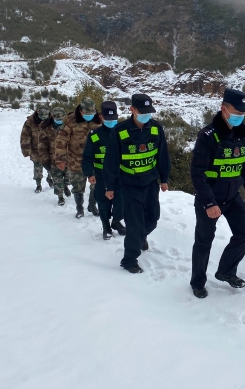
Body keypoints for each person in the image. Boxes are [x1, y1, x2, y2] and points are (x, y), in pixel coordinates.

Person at [189, 88, 245, 299]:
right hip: (210, 197)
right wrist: (209, 203)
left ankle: (226, 271)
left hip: (232, 196)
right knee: (203, 241)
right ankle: (198, 282)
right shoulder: (208, 136)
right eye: (236, 112)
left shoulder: (241, 133)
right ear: (223, 109)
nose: (239, 116)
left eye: (243, 113)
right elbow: (197, 173)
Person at [103, 93, 171, 273]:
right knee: (134, 225)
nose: (146, 115)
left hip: (150, 182)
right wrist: (110, 186)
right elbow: (110, 161)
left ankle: (141, 237)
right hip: (129, 184)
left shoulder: (156, 128)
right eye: (142, 112)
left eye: (149, 112)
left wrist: (164, 178)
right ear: (132, 109)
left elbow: (162, 155)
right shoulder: (120, 131)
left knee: (153, 219)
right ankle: (129, 260)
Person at [82, 101, 126, 240]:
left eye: (114, 119)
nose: (112, 122)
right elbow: (87, 156)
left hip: (120, 174)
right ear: (101, 117)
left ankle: (116, 221)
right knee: (104, 201)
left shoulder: (123, 133)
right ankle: (106, 225)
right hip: (101, 175)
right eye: (109, 119)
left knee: (121, 201)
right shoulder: (95, 135)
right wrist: (90, 173)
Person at [55, 97, 102, 218]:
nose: (89, 115)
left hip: (95, 161)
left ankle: (92, 205)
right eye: (87, 113)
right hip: (76, 161)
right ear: (80, 110)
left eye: (92, 113)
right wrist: (60, 159)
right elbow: (60, 141)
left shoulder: (98, 121)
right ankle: (79, 208)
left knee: (96, 185)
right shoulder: (70, 122)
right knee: (77, 187)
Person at [39, 106, 71, 205]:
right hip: (54, 159)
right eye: (58, 119)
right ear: (52, 116)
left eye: (61, 118)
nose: (60, 120)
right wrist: (45, 160)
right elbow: (42, 146)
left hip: (68, 158)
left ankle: (65, 186)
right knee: (57, 179)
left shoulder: (68, 126)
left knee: (68, 177)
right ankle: (60, 196)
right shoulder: (46, 129)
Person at [20, 103, 53, 192]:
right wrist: (26, 150)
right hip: (36, 149)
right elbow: (25, 136)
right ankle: (38, 184)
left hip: (49, 149)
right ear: (38, 112)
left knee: (52, 166)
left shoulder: (52, 120)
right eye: (42, 115)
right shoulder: (30, 122)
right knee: (38, 168)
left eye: (46, 116)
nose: (44, 118)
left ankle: (50, 179)